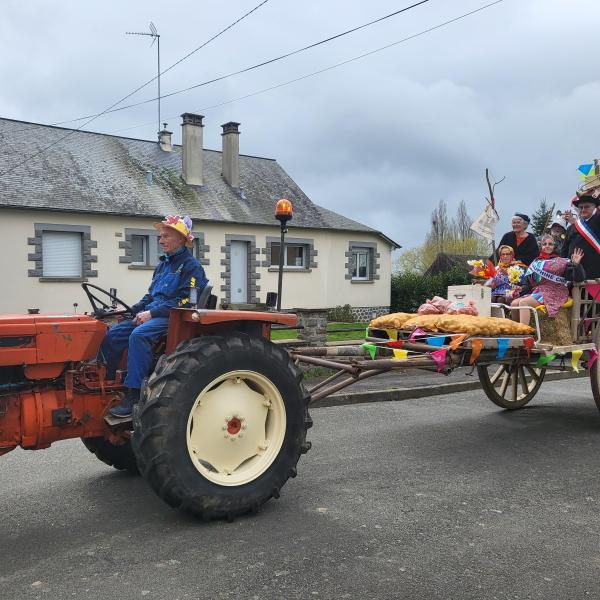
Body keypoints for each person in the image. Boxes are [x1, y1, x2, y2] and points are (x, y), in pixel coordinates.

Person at [99, 215, 208, 418]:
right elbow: (150, 296)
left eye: (166, 236)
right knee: (113, 333)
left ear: (182, 239)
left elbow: (186, 301)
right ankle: (106, 382)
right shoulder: (162, 266)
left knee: (139, 335)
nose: (160, 240)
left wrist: (151, 313)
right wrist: (130, 310)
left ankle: (134, 393)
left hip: (173, 317)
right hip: (154, 312)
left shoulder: (192, 267)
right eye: (161, 236)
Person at [510, 234, 585, 325]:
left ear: (554, 246)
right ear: (541, 246)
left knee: (523, 303)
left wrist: (576, 265)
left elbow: (579, 278)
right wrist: (521, 289)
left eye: (550, 244)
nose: (547, 246)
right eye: (544, 244)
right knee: (514, 304)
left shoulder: (562, 261)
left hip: (555, 292)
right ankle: (516, 331)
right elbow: (529, 284)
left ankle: (524, 333)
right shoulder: (536, 262)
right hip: (539, 291)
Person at [561, 192, 600, 279]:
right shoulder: (571, 228)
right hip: (574, 271)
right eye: (580, 207)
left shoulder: (598, 220)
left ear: (594, 207)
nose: (583, 209)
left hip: (595, 270)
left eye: (586, 207)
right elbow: (564, 250)